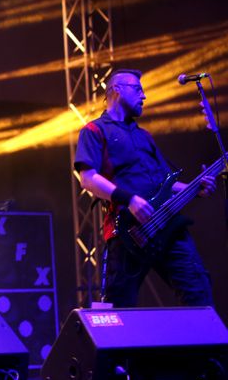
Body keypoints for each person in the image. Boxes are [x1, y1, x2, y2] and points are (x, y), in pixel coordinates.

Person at [74, 68, 217, 308]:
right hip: (128, 231)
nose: (144, 96)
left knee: (199, 294)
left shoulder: (145, 136)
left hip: (167, 226)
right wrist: (129, 199)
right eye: (138, 89)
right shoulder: (94, 130)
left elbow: (165, 182)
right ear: (116, 90)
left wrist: (195, 187)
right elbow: (87, 179)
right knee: (120, 307)